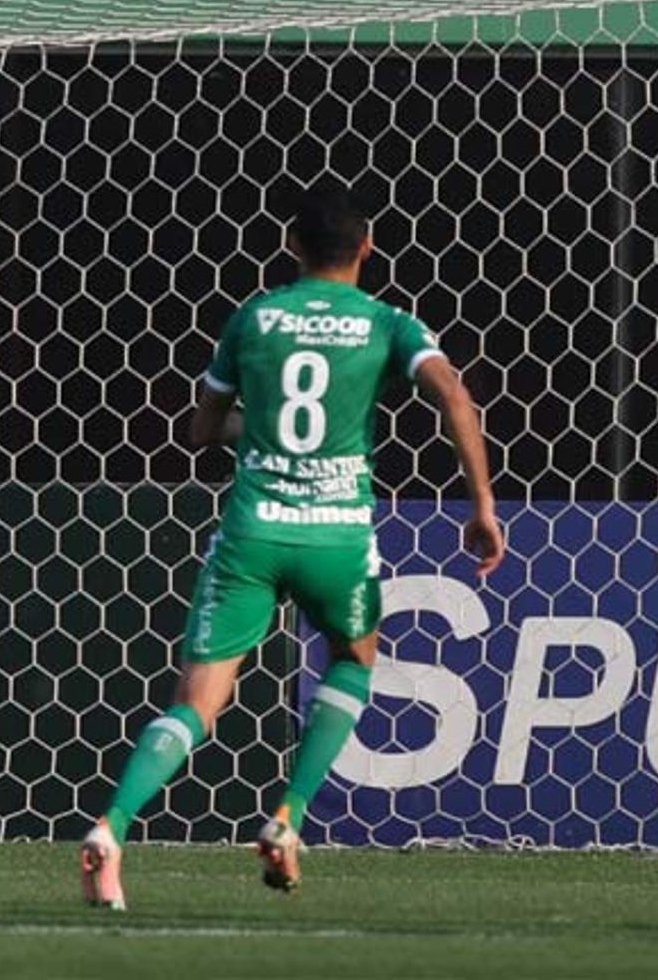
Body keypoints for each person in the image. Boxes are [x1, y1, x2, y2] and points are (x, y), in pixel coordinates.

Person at [79, 183, 505, 910]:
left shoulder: (253, 319)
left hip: (253, 533)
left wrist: (263, 433)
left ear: (291, 246)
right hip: (336, 536)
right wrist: (484, 505)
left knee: (198, 702)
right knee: (353, 659)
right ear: (367, 249)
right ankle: (289, 815)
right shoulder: (385, 321)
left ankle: (113, 826)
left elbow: (200, 431)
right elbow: (457, 396)